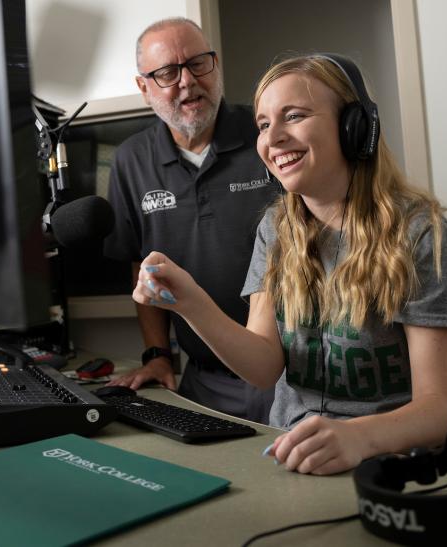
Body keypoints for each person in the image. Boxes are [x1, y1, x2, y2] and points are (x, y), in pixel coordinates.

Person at [133, 54, 447, 475]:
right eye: (262, 124)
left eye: (292, 116)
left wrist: (357, 436)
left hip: (388, 464)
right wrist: (188, 300)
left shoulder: (421, 234)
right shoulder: (276, 230)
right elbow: (263, 368)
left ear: (354, 127)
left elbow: (440, 410)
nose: (272, 138)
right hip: (291, 457)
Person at [103, 17, 279, 423]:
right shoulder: (131, 159)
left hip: (292, 373)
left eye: (199, 63)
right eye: (167, 73)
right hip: (203, 378)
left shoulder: (266, 134)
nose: (187, 81)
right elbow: (142, 267)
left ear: (215, 67)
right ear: (144, 88)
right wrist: (158, 356)